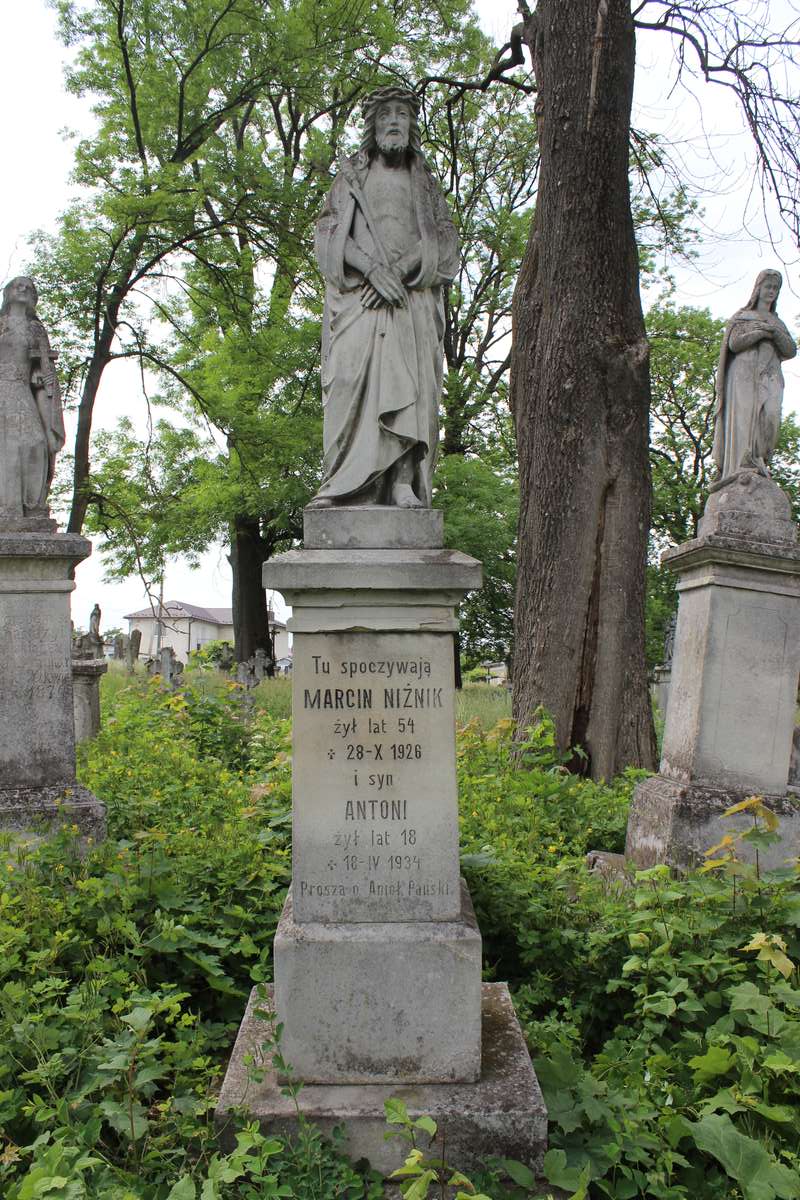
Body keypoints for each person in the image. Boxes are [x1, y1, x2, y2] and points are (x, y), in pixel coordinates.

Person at [310, 86, 459, 509]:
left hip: (407, 302)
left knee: (408, 386)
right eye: (385, 115)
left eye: (402, 114)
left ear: (412, 126)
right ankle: (345, 485)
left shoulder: (425, 185)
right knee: (346, 381)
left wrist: (400, 270)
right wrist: (372, 271)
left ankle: (401, 483)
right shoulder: (351, 178)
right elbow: (327, 234)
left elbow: (445, 242)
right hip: (359, 302)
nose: (394, 121)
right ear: (372, 126)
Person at [712, 269, 797, 480]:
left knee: (770, 417)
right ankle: (743, 463)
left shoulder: (778, 323)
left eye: (775, 288)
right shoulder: (742, 317)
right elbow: (734, 344)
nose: (771, 291)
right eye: (768, 287)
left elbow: (790, 350)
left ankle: (761, 459)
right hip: (743, 374)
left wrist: (774, 332)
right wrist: (759, 332)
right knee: (744, 418)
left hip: (770, 376)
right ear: (758, 288)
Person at [0, 276, 65, 521]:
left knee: (35, 444)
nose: (24, 289)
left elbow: (43, 365)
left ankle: (32, 507)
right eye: (18, 285)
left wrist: (44, 377)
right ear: (8, 292)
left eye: (29, 287)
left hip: (22, 392)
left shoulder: (36, 329)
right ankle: (7, 510)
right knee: (5, 447)